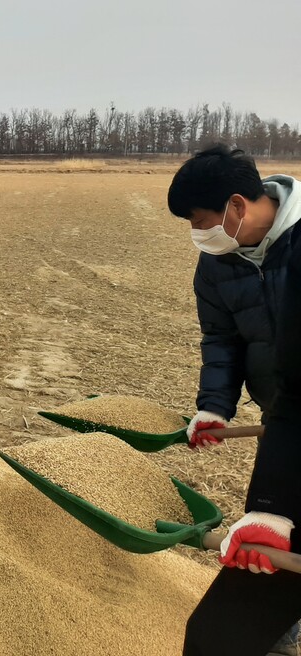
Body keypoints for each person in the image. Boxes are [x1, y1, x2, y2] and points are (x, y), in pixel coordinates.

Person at [168, 143, 301, 654]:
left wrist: (274, 508)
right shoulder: (218, 262)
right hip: (288, 423)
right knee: (261, 552)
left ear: (237, 206)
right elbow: (221, 339)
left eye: (200, 219)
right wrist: (213, 407)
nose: (196, 233)